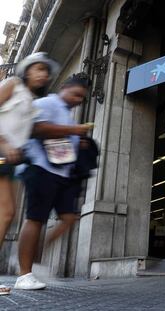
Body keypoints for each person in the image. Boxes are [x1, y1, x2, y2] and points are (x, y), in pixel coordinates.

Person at [14, 74, 92, 290]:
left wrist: (81, 142)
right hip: (40, 169)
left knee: (69, 217)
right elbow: (36, 128)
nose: (78, 100)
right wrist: (74, 131)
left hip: (62, 176)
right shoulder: (47, 103)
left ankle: (37, 250)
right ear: (64, 87)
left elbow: (64, 145)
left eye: (82, 98)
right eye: (76, 94)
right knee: (35, 219)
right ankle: (24, 274)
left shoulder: (67, 115)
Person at [0, 52, 59, 295]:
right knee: (6, 214)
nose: (42, 74)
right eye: (37, 69)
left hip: (9, 160)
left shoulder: (30, 102)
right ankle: (23, 276)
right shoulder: (12, 84)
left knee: (7, 214)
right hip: (1, 152)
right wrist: (4, 142)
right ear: (26, 70)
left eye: (45, 71)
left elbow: (32, 132)